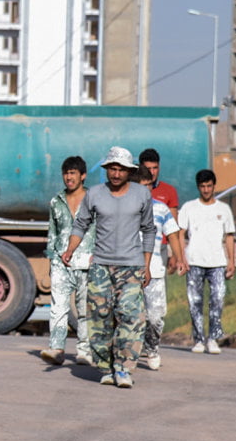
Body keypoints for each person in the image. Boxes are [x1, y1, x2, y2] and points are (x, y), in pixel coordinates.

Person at [62, 146, 155, 388]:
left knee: (132, 316)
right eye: (112, 168)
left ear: (129, 171)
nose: (115, 174)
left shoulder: (141, 195)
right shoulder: (94, 194)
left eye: (120, 169)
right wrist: (70, 249)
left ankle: (124, 367)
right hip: (101, 265)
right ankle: (105, 367)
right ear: (106, 170)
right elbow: (80, 224)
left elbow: (148, 230)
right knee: (99, 318)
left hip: (132, 265)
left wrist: (146, 265)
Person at [40, 156, 95, 367]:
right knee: (58, 307)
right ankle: (57, 348)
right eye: (66, 173)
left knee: (84, 308)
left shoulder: (93, 199)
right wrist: (52, 260)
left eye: (73, 173)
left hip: (87, 261)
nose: (68, 178)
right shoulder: (56, 201)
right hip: (61, 262)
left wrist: (97, 255)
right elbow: (52, 233)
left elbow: (101, 229)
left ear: (82, 176)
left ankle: (84, 350)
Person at [177, 169, 236, 355]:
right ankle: (199, 339)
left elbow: (229, 237)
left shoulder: (223, 209)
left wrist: (231, 261)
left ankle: (213, 338)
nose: (206, 189)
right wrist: (182, 257)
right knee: (195, 301)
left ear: (214, 186)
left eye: (209, 186)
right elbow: (180, 234)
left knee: (217, 299)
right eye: (202, 186)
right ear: (198, 187)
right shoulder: (189, 207)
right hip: (194, 260)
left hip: (217, 262)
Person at [135, 166, 187, 371]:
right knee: (128, 315)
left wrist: (179, 257)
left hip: (155, 270)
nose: (146, 190)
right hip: (128, 270)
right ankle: (127, 351)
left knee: (155, 317)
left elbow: (173, 234)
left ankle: (152, 347)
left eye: (149, 186)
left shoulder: (161, 209)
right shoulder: (125, 207)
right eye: (142, 186)